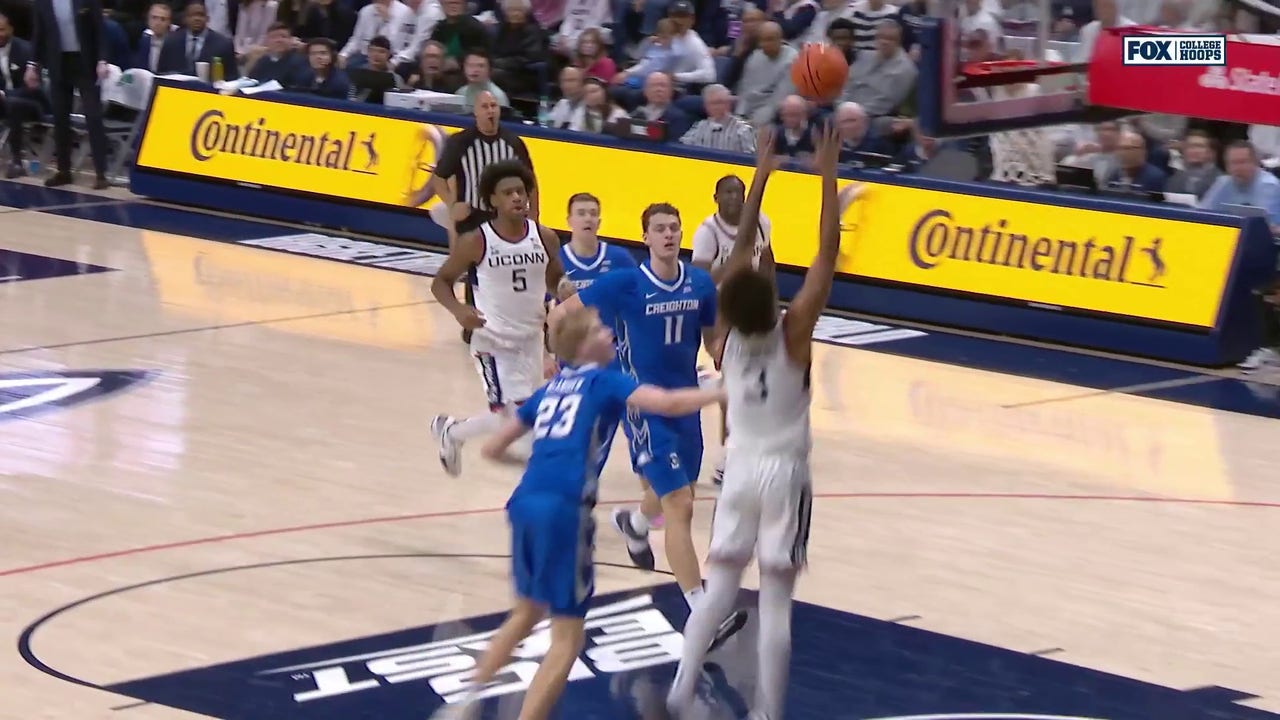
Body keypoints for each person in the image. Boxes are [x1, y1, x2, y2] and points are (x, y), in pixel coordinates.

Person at [429, 305, 726, 720]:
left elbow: (492, 448)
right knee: (567, 639)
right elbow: (668, 402)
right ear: (585, 346)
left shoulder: (548, 390)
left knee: (527, 610)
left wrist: (538, 467)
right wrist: (721, 392)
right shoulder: (604, 381)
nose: (610, 333)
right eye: (602, 330)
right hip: (563, 510)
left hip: (525, 502)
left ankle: (462, 703)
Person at [667, 123, 861, 720]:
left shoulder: (722, 340)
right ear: (771, 295)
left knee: (721, 586)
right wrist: (827, 176)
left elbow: (741, 251)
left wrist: (760, 176)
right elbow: (827, 257)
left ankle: (680, 689)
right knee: (776, 601)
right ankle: (768, 713)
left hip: (741, 470)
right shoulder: (792, 332)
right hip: (783, 475)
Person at [549, 201, 749, 652]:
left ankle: (635, 524)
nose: (668, 234)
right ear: (645, 237)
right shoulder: (625, 282)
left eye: (674, 228)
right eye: (659, 229)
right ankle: (700, 613)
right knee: (679, 504)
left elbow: (713, 337)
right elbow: (562, 313)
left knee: (674, 492)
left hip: (686, 402)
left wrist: (731, 361)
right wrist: (561, 359)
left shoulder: (699, 283)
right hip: (640, 405)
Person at [429, 159, 569, 476]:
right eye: (508, 193)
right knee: (514, 419)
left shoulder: (545, 237)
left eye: (521, 191)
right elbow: (441, 282)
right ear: (493, 200)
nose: (518, 198)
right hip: (492, 342)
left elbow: (553, 278)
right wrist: (459, 310)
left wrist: (563, 287)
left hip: (531, 341)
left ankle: (453, 431)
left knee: (521, 416)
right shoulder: (477, 240)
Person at [407, 90, 535, 343]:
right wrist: (453, 204)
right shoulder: (460, 142)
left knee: (507, 268)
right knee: (474, 271)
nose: (490, 111)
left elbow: (531, 181)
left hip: (505, 217)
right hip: (474, 216)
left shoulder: (513, 142)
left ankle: (509, 320)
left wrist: (534, 213)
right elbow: (439, 178)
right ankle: (472, 321)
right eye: (485, 106)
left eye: (494, 106)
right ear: (475, 112)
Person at [691, 174, 776, 486]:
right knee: (733, 383)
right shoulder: (707, 232)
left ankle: (745, 444)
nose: (734, 198)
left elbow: (768, 263)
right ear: (716, 197)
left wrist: (772, 305)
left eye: (739, 192)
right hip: (722, 312)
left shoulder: (762, 223)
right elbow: (701, 283)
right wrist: (711, 334)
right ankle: (727, 455)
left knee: (755, 382)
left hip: (753, 312)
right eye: (727, 192)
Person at [23, 0, 112, 188]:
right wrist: (32, 65)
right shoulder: (43, 3)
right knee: (60, 119)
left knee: (93, 117)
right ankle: (64, 171)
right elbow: (39, 34)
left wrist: (102, 60)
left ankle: (101, 173)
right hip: (59, 63)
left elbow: (100, 30)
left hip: (86, 62)